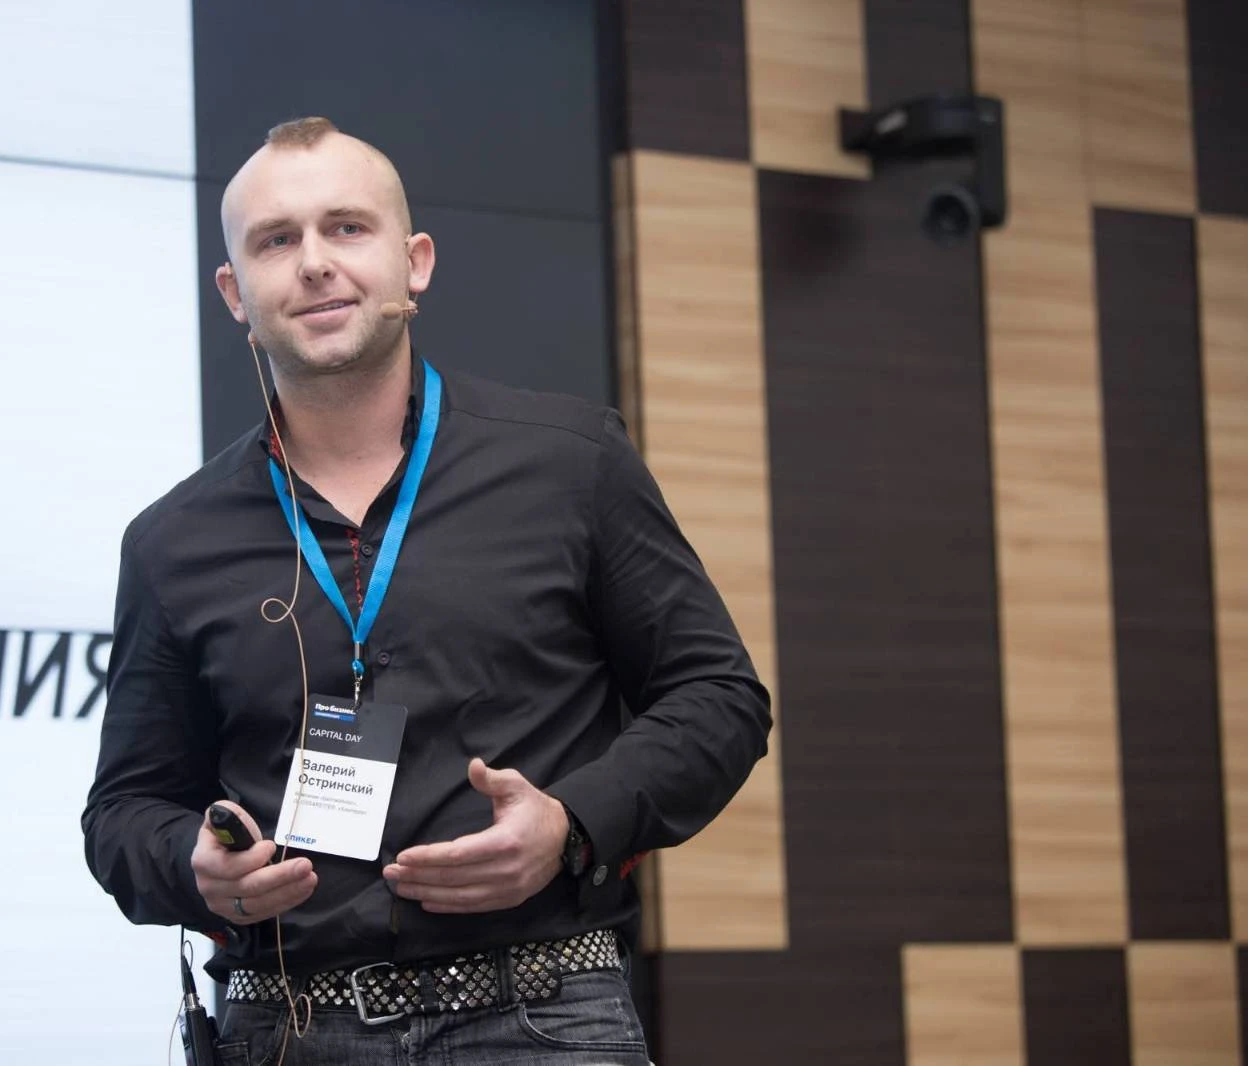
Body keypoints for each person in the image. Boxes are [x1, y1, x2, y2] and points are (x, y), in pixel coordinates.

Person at [81, 116, 771, 1065]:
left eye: (347, 228)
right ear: (235, 295)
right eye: (277, 241)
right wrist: (194, 869)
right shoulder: (173, 539)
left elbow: (719, 698)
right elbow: (125, 811)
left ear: (415, 264)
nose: (315, 263)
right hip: (286, 1029)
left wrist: (572, 824)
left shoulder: (572, 463)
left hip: (542, 1012)